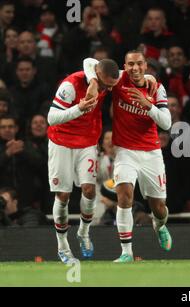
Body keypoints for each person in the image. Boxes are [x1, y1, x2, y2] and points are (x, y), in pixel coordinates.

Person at [83, 50, 172, 263]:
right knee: (124, 194)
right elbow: (89, 61)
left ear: (146, 65)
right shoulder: (119, 79)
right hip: (125, 150)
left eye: (139, 64)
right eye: (130, 64)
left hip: (151, 152)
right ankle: (126, 252)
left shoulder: (156, 87)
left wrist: (147, 105)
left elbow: (167, 123)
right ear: (125, 65)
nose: (134, 68)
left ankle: (159, 225)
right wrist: (94, 81)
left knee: (158, 207)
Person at [47, 59, 120, 264]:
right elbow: (51, 118)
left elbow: (91, 61)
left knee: (89, 190)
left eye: (110, 86)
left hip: (87, 142)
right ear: (96, 74)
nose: (107, 89)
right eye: (104, 84)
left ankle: (83, 232)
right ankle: (62, 245)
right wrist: (78, 109)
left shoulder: (103, 81)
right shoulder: (70, 85)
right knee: (63, 195)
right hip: (61, 141)